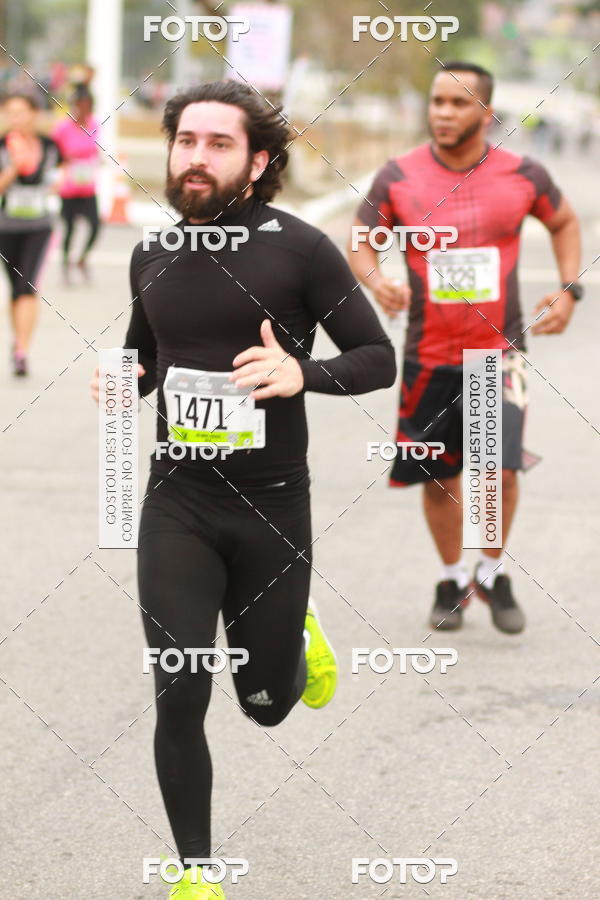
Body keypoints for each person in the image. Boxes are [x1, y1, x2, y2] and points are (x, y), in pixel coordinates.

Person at [91, 80, 396, 899]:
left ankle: (297, 635)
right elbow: (145, 360)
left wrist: (302, 371)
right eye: (186, 141)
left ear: (258, 161)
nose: (195, 158)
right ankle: (195, 871)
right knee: (180, 682)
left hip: (270, 505)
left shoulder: (299, 249)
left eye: (218, 144)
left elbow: (377, 358)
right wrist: (124, 381)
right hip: (178, 505)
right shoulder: (150, 251)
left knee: (265, 705)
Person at [348, 61, 582, 635]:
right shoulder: (398, 176)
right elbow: (361, 239)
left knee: (497, 472)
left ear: (486, 113)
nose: (443, 113)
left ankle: (491, 571)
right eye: (437, 102)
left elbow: (565, 222)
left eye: (457, 103)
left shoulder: (523, 173)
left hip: (496, 353)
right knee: (439, 476)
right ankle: (451, 578)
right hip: (428, 354)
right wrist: (377, 280)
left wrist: (570, 288)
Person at [0, 93, 63, 375]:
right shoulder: (2, 147)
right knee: (16, 289)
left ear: (34, 114)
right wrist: (14, 167)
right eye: (11, 113)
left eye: (22, 111)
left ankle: (23, 351)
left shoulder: (50, 146)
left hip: (39, 226)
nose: (17, 118)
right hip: (6, 226)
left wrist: (59, 182)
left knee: (27, 285)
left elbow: (63, 171)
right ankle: (18, 343)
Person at [52, 85, 101, 283]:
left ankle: (82, 258)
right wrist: (65, 160)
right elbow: (54, 153)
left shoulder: (94, 124)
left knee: (96, 225)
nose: (82, 109)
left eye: (86, 106)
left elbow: (94, 150)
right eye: (79, 105)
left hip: (87, 186)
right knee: (70, 228)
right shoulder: (63, 128)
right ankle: (66, 263)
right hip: (69, 187)